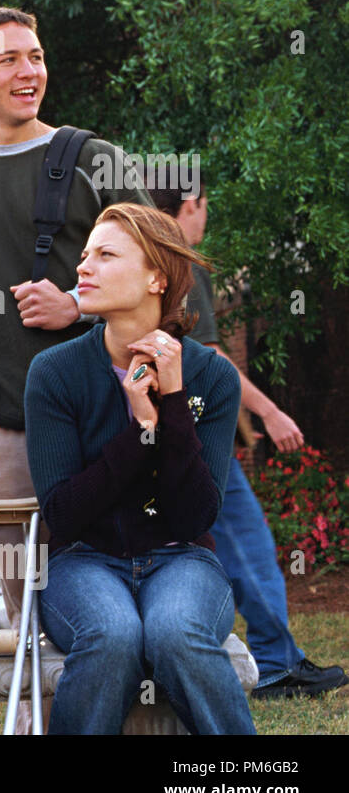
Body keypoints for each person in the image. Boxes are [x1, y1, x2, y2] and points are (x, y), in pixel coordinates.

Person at [0, 6, 151, 643]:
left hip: (108, 420)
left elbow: (165, 272)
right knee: (32, 618)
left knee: (125, 599)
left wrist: (78, 303)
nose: (29, 71)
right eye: (8, 59)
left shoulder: (98, 161)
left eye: (35, 56)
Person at [25, 203, 254, 734]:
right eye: (84, 256)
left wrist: (172, 403)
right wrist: (141, 433)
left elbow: (196, 515)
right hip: (81, 561)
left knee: (176, 631)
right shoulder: (55, 372)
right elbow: (63, 511)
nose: (83, 268)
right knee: (112, 635)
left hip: (183, 561)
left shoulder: (212, 377)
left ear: (157, 277)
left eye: (105, 255)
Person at [148, 181, 347, 699]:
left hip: (152, 428)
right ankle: (277, 665)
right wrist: (271, 410)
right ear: (190, 204)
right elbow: (210, 359)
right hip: (192, 434)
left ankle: (264, 659)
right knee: (246, 543)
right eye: (207, 206)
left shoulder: (140, 255)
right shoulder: (180, 262)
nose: (205, 217)